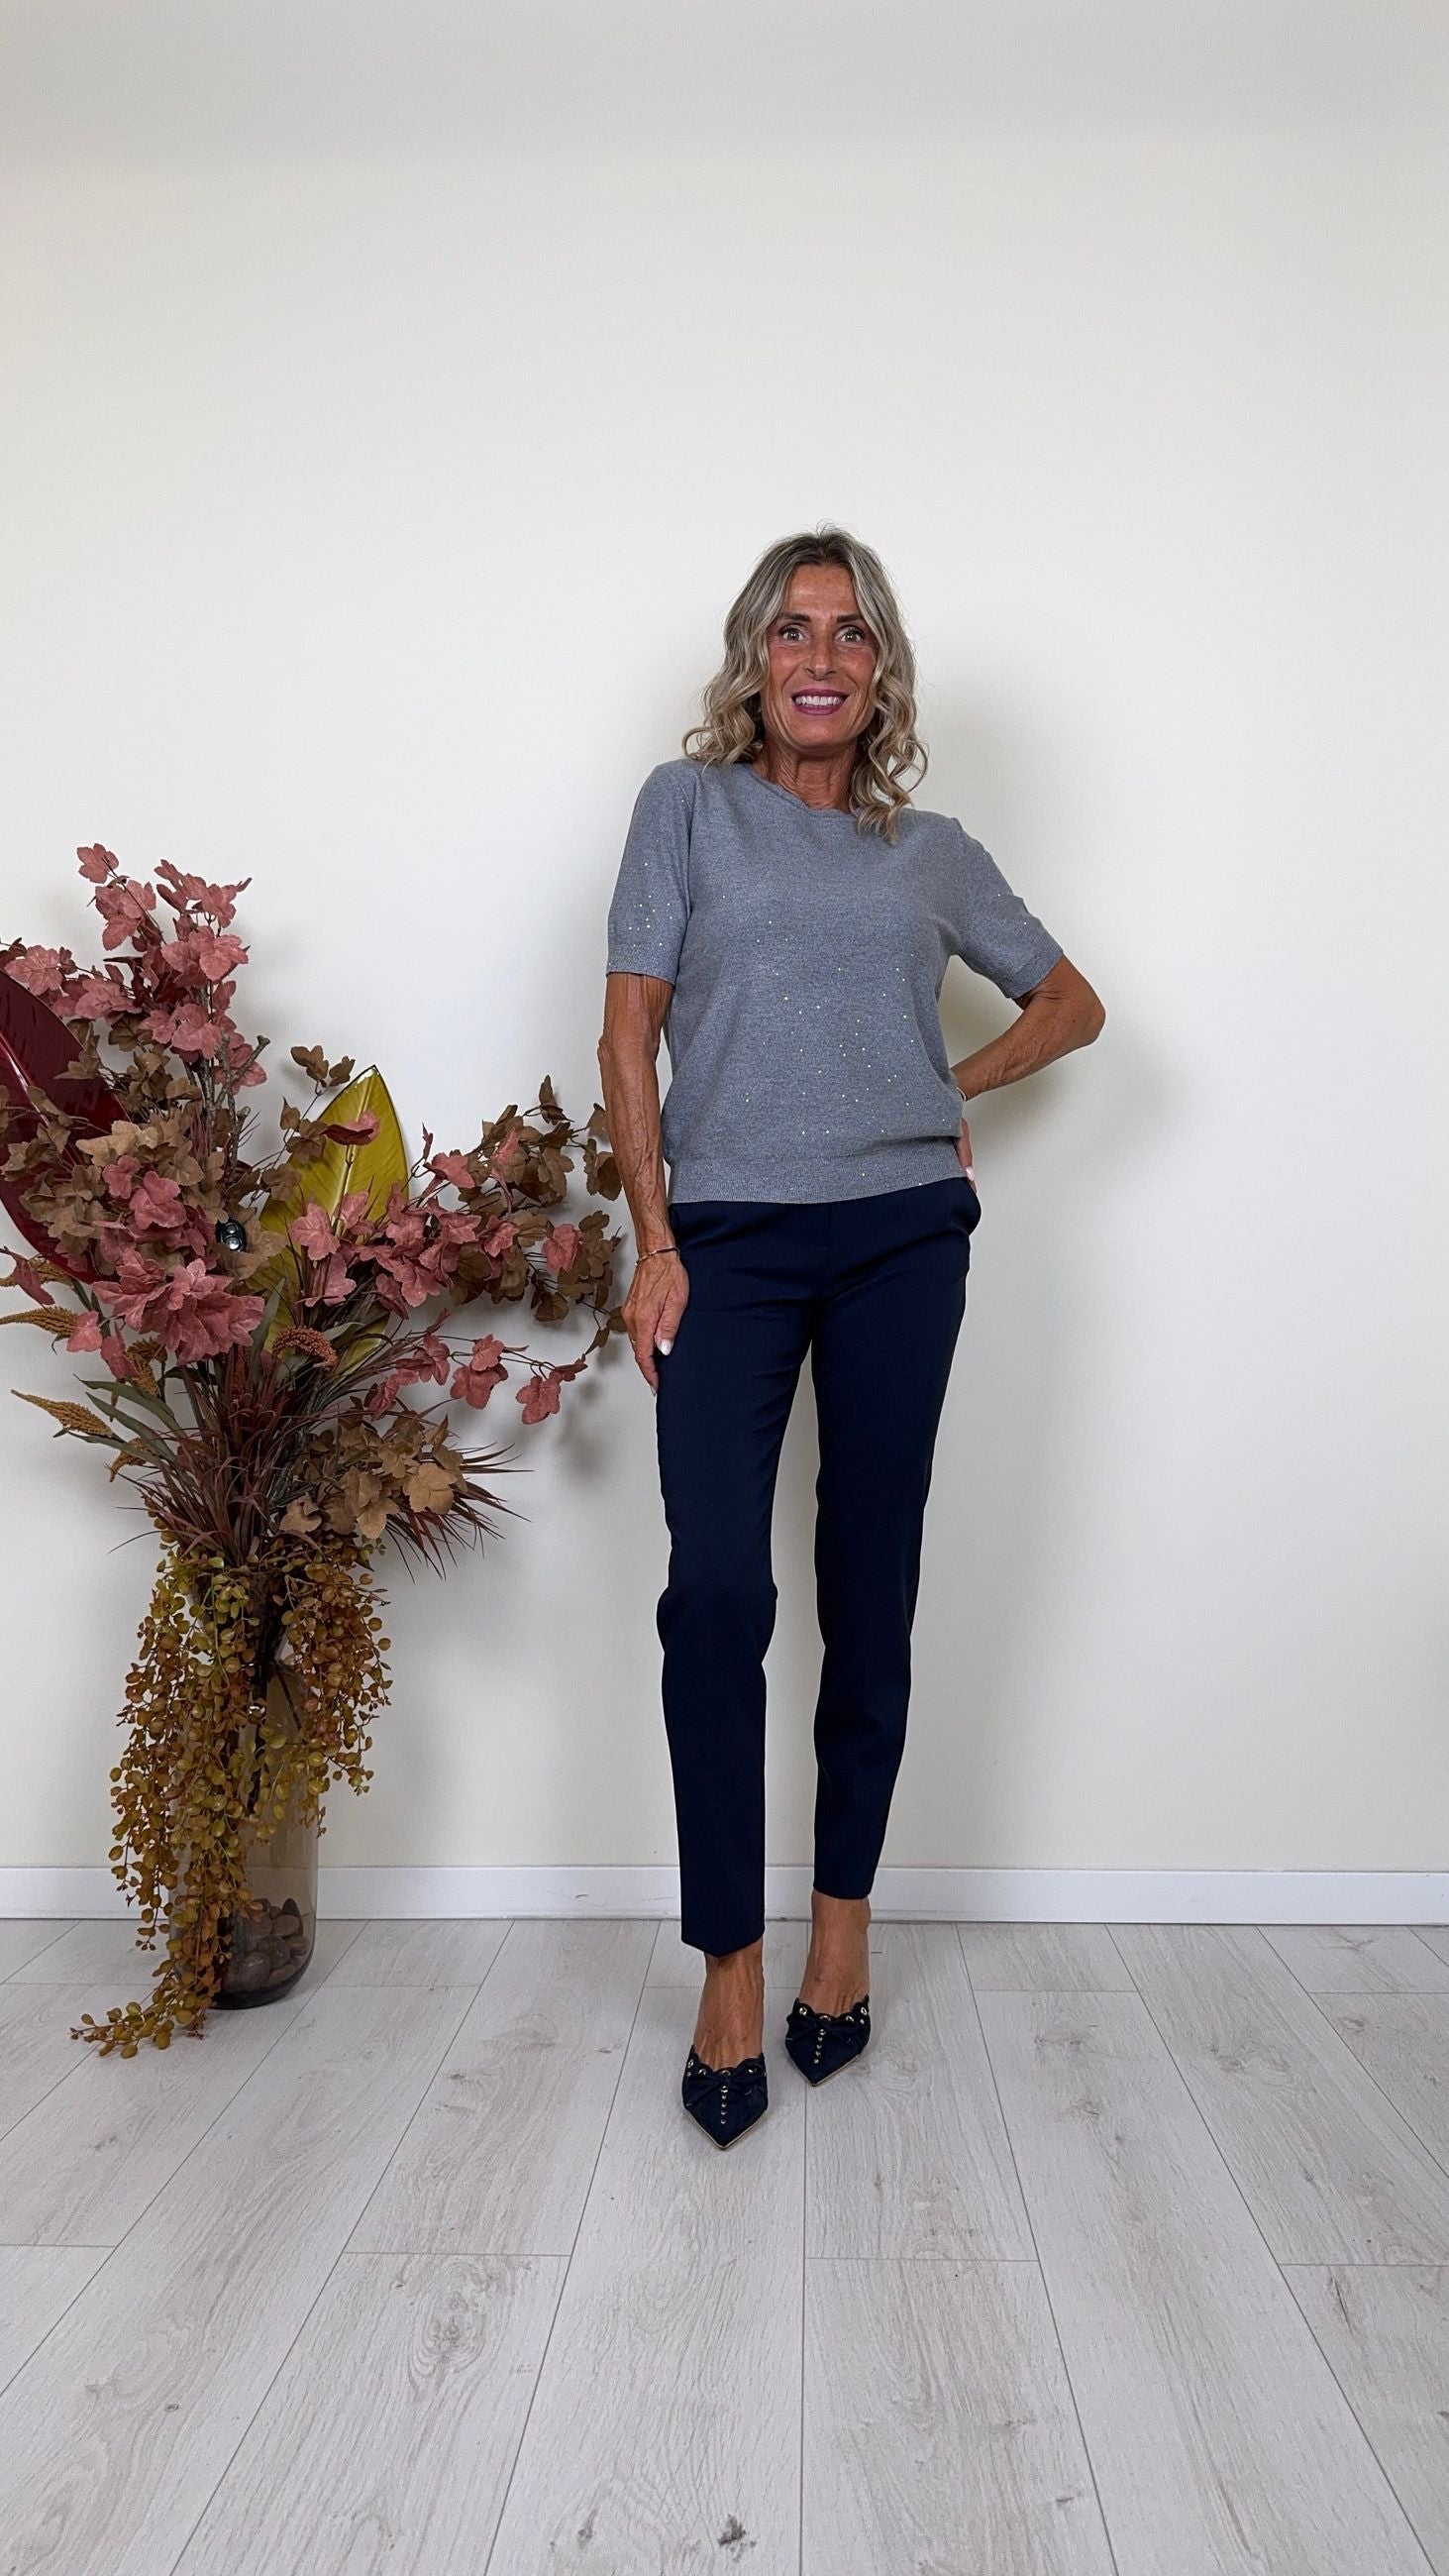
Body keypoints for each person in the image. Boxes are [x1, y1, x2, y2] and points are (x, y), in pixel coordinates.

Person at [597, 526, 1104, 2146]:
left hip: (899, 1241)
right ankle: (729, 1962)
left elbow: (1073, 1004)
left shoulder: (929, 851)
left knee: (870, 1585)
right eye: (793, 630)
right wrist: (654, 1240)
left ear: (882, 672)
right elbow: (627, 1032)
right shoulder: (686, 808)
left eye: (852, 633)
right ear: (754, 659)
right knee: (717, 1593)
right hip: (727, 1242)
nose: (821, 658)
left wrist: (944, 1090)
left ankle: (840, 1936)